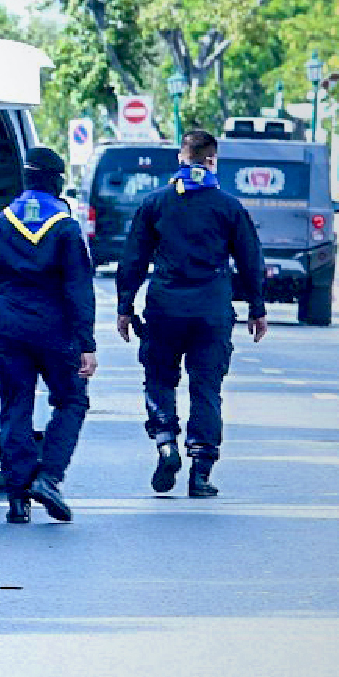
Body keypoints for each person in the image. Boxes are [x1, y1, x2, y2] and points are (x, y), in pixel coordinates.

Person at [115, 129, 268, 498]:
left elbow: (133, 258)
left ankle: (166, 443)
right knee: (206, 388)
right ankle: (200, 473)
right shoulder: (229, 207)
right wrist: (256, 308)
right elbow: (250, 260)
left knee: (159, 378)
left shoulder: (155, 204)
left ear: (181, 159)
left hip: (165, 307)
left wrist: (124, 306)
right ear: (212, 160)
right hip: (211, 311)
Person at [0, 147, 94, 524]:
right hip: (57, 331)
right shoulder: (66, 226)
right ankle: (49, 477)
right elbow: (78, 288)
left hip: (10, 329)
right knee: (71, 401)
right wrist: (86, 342)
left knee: (16, 408)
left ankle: (16, 497)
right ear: (56, 182)